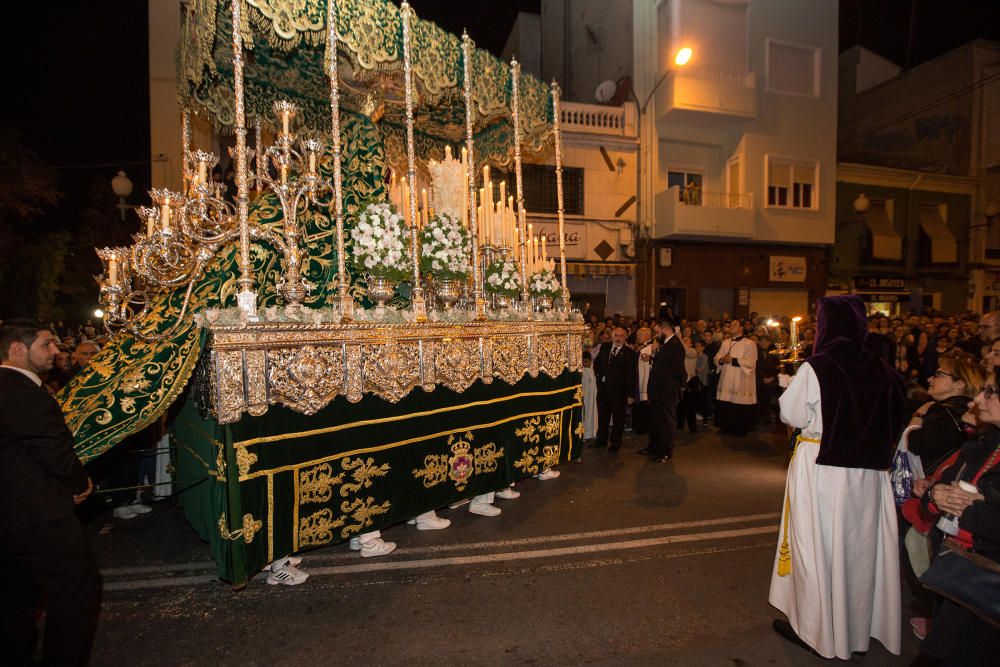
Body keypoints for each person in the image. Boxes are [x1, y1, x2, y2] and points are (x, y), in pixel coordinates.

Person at [768, 296, 906, 659]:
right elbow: (896, 413)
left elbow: (793, 414)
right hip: (868, 476)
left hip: (823, 470)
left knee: (818, 547)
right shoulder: (881, 366)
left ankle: (818, 631)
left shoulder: (819, 367)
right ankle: (857, 626)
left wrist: (789, 380)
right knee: (859, 548)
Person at [0, 319, 101, 665]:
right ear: (17, 348)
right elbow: (53, 450)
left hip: (12, 515)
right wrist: (79, 483)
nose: (56, 352)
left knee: (17, 595)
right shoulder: (20, 391)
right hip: (38, 514)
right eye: (46, 344)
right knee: (76, 590)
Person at [640, 317, 685, 463]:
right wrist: (652, 359)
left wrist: (679, 386)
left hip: (667, 390)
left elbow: (678, 369)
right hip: (657, 389)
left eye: (657, 331)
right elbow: (665, 364)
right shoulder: (665, 344)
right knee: (655, 420)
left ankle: (666, 451)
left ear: (665, 330)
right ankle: (654, 447)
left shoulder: (675, 345)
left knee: (666, 421)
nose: (656, 334)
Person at [593, 327, 637, 452]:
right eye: (616, 335)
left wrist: (630, 395)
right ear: (612, 336)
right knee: (602, 417)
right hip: (603, 390)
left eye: (621, 336)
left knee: (618, 419)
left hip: (619, 392)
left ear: (625, 337)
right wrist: (599, 376)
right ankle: (601, 439)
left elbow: (631, 375)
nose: (618, 338)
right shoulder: (605, 347)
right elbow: (597, 364)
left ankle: (615, 443)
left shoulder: (629, 353)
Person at [714, 319, 757, 436]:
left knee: (739, 404)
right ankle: (726, 426)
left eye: (735, 325)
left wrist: (733, 360)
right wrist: (722, 360)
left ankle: (740, 429)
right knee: (726, 402)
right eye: (731, 325)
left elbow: (751, 362)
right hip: (727, 376)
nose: (731, 327)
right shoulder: (725, 342)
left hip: (741, 378)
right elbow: (717, 356)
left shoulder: (749, 343)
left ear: (741, 328)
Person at [633, 327, 654, 436]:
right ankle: (640, 426)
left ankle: (645, 427)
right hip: (640, 378)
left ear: (647, 335)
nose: (637, 337)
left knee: (646, 404)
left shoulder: (652, 347)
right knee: (641, 403)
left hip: (646, 379)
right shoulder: (642, 346)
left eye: (639, 335)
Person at [581, 351, 597, 443]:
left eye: (586, 362)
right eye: (583, 362)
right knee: (585, 415)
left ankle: (593, 432)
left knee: (593, 414)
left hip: (593, 397)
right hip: (585, 397)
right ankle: (585, 434)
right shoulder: (580, 371)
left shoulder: (594, 369)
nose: (584, 364)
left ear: (590, 361)